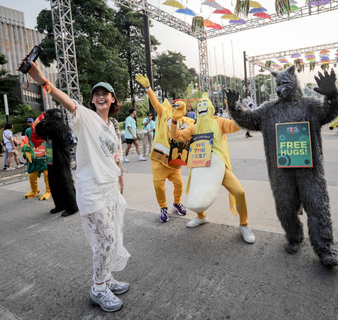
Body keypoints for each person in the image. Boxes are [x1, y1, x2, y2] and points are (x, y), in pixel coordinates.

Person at [26, 60, 130, 313]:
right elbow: (67, 101)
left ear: (113, 99)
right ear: (92, 101)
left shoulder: (110, 125)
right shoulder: (86, 117)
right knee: (104, 238)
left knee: (113, 235)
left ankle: (106, 278)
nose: (100, 97)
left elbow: (114, 158)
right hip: (91, 190)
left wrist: (120, 183)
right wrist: (43, 81)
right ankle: (98, 288)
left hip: (109, 189)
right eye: (96, 94)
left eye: (105, 94)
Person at [170, 93, 256, 244]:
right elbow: (176, 136)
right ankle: (201, 217)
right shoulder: (194, 128)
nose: (203, 108)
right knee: (197, 193)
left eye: (205, 105)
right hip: (201, 168)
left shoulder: (219, 122)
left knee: (240, 193)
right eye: (200, 106)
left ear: (210, 108)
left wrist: (235, 109)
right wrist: (174, 119)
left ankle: (244, 224)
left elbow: (236, 126)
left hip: (220, 168)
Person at [135, 74, 192, 222]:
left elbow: (200, 125)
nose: (175, 107)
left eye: (178, 105)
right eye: (173, 105)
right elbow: (155, 102)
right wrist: (148, 88)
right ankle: (163, 207)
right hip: (159, 159)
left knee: (179, 184)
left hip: (174, 160)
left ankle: (177, 202)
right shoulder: (163, 113)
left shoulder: (185, 120)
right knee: (159, 187)